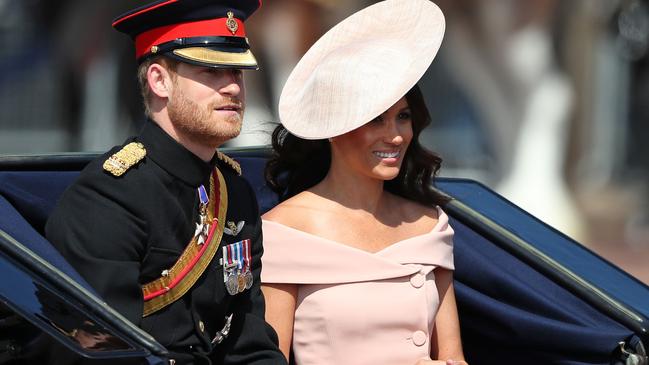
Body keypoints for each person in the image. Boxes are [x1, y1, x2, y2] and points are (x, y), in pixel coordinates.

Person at [43, 1, 287, 364]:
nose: (234, 88)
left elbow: (248, 343)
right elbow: (106, 351)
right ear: (159, 81)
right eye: (210, 71)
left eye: (237, 72)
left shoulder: (233, 190)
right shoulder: (109, 196)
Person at [260, 0, 468, 364]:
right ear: (331, 129)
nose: (396, 136)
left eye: (402, 117)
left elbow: (453, 357)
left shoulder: (429, 226)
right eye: (375, 119)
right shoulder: (283, 231)